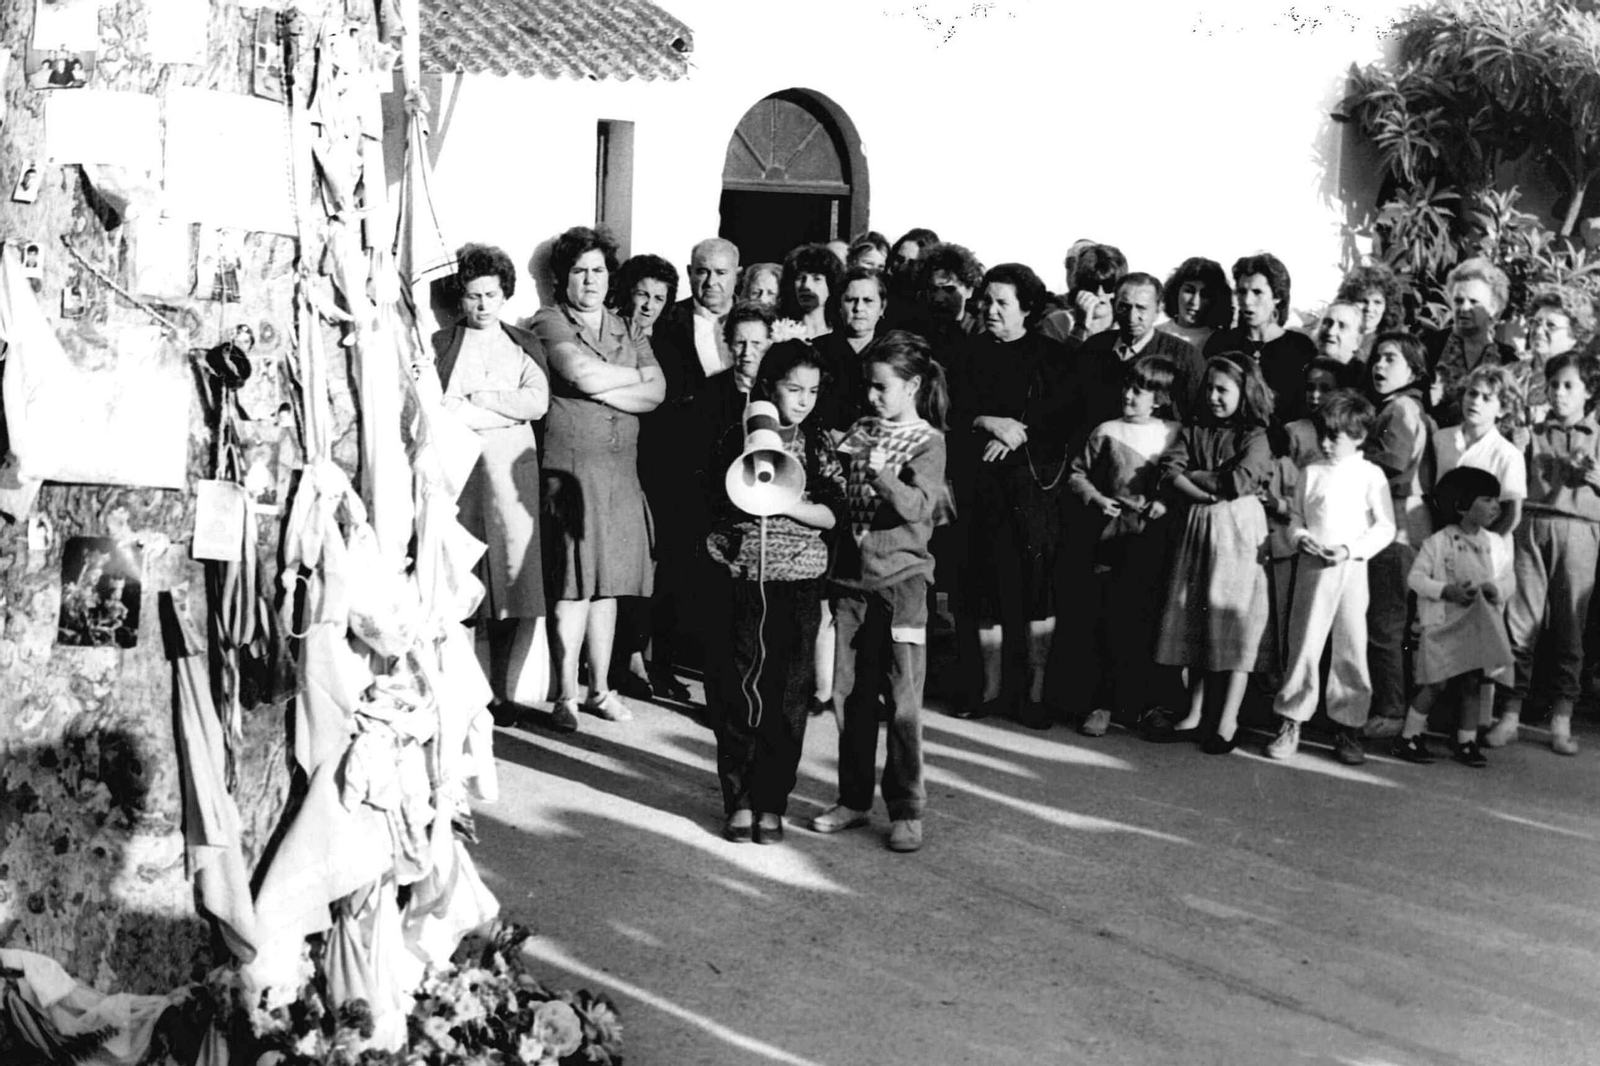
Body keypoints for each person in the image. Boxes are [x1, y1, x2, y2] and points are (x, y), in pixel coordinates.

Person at [809, 332, 950, 854]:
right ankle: (853, 798)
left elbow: (919, 507)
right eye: (867, 387)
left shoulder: (929, 440)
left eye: (881, 388)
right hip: (852, 584)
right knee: (849, 697)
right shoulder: (864, 429)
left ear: (912, 386)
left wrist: (883, 474)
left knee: (904, 701)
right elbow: (837, 488)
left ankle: (907, 809)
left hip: (902, 587)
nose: (871, 397)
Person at [704, 342, 847, 844]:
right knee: (738, 691)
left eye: (812, 390)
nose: (804, 400)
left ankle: (772, 800)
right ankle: (740, 799)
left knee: (788, 695)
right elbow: (715, 503)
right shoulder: (734, 437)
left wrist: (787, 501)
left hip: (800, 579)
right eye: (793, 389)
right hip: (744, 578)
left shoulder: (820, 443)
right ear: (769, 387)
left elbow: (832, 513)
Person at [531, 226, 665, 729]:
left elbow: (659, 392)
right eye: (579, 271)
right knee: (572, 586)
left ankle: (599, 689)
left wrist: (603, 385)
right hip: (571, 471)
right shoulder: (549, 320)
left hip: (619, 472)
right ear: (562, 278)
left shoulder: (625, 326)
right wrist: (630, 381)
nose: (590, 280)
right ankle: (565, 695)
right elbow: (578, 373)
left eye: (599, 270)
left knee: (608, 587)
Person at [946, 264, 1076, 727]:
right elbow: (951, 414)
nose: (991, 309)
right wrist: (987, 423)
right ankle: (988, 688)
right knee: (982, 588)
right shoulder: (967, 353)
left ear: (1027, 308)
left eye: (1003, 302)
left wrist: (1020, 433)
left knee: (1036, 590)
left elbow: (1064, 421)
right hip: (982, 489)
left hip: (1032, 489)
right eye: (987, 301)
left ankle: (1035, 694)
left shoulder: (1052, 357)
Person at [430, 243, 550, 716]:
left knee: (511, 584)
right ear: (460, 297)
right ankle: (465, 694)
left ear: (505, 296)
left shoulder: (523, 344)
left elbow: (536, 404)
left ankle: (501, 690)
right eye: (473, 296)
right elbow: (443, 408)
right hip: (462, 474)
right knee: (463, 581)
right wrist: (502, 405)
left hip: (513, 474)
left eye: (491, 295)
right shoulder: (443, 345)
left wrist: (480, 398)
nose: (482, 305)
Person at [1146, 354, 1277, 753]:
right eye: (1211, 389)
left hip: (1238, 532)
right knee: (1198, 618)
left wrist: (1196, 479)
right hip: (1199, 529)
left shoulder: (1254, 435)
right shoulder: (1196, 428)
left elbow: (1240, 481)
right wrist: (1205, 490)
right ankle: (1194, 713)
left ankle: (1227, 720)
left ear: (1245, 393)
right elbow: (1168, 471)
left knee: (1235, 625)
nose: (1215, 397)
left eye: (1224, 390)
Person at [1264, 390, 1396, 765]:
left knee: (1351, 646)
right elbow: (1298, 518)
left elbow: (1385, 528)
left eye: (1334, 437)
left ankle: (1349, 726)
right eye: (1323, 433)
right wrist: (1302, 538)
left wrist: (1349, 551)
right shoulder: (1312, 472)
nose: (1324, 442)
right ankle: (1291, 720)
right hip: (1312, 568)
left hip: (1351, 569)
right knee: (1303, 643)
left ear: (1358, 437)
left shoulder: (1372, 475)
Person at [640, 237, 743, 700]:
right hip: (683, 467)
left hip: (741, 469)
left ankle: (723, 671)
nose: (711, 281)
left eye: (721, 273)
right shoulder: (669, 323)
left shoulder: (752, 324)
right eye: (703, 271)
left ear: (736, 276)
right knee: (676, 569)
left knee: (726, 575)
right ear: (690, 271)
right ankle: (662, 664)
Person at [1486, 353, 1600, 755]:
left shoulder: (1598, 436)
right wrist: (1514, 450)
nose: (1559, 393)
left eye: (1570, 385)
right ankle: (1510, 715)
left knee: (1571, 623)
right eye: (1554, 384)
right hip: (1532, 525)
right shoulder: (1531, 433)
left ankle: (1562, 719)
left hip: (1580, 529)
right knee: (1520, 622)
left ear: (1589, 391)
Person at [1062, 355, 1182, 736]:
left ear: (1159, 398)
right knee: (1107, 619)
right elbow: (1076, 474)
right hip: (1112, 536)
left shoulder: (1173, 433)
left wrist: (1166, 503)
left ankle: (1145, 705)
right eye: (1127, 388)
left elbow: (1182, 479)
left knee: (1147, 621)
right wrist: (1097, 499)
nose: (1127, 396)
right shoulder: (1106, 431)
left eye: (1139, 391)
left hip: (1154, 539)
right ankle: (1101, 704)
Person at [1391, 467, 1514, 767]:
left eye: (1496, 499)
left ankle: (1466, 741)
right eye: (1487, 499)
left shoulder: (1495, 544)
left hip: (1476, 625)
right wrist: (1445, 590)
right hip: (1443, 624)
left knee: (1472, 683)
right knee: (1435, 683)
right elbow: (1416, 579)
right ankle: (1410, 735)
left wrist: (1493, 589)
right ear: (1461, 504)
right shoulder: (1439, 542)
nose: (1496, 506)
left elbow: (1508, 580)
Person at [1359, 332, 1436, 738]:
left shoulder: (1402, 409)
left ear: (1413, 369)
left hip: (1396, 527)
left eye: (1391, 359)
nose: (1380, 366)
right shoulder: (1399, 408)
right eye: (1377, 358)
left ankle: (1390, 709)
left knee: (1385, 624)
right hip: (1400, 525)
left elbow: (1392, 462)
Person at [610, 253, 680, 699]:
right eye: (643, 294)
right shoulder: (614, 339)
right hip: (621, 457)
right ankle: (621, 658)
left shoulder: (671, 344)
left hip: (664, 465)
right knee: (621, 562)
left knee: (659, 564)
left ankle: (648, 656)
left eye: (659, 297)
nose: (649, 305)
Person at [1074, 272, 1205, 429]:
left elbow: (1198, 421)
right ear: (1114, 305)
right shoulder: (1095, 347)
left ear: (1158, 310)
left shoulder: (1185, 357)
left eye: (1141, 308)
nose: (1132, 317)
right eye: (1124, 307)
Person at [1204, 253, 1315, 421]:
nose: (1247, 301)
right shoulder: (1221, 343)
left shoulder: (1300, 347)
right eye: (1241, 292)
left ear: (1277, 296)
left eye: (1257, 292)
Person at [1426, 257, 1516, 427]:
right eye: (1458, 301)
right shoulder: (1430, 345)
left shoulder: (1507, 359)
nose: (1464, 308)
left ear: (1493, 307)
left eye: (1474, 302)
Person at [1506, 285, 1593, 436]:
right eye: (1536, 322)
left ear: (1574, 335)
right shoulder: (1510, 374)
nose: (1538, 330)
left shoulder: (1585, 380)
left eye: (1550, 326)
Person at [812, 266, 886, 434]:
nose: (859, 308)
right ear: (839, 305)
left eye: (868, 301)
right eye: (851, 300)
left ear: (882, 307)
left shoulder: (893, 353)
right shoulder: (816, 352)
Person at [1158, 257, 1232, 352]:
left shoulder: (1221, 343)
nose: (1194, 301)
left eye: (1204, 294)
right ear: (1176, 292)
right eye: (1189, 291)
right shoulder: (1154, 335)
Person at [1336, 263, 1406, 360]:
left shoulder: (1390, 346)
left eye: (1377, 302)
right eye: (1363, 301)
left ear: (1387, 307)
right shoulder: (1333, 335)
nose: (1369, 308)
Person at [778, 243, 842, 341]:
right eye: (800, 278)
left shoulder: (841, 335)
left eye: (816, 279)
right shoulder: (779, 334)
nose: (806, 286)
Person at [1312, 300, 1366, 381]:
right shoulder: (1301, 366)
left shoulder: (1364, 379)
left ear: (1358, 340)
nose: (1330, 332)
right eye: (1327, 323)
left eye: (1342, 326)